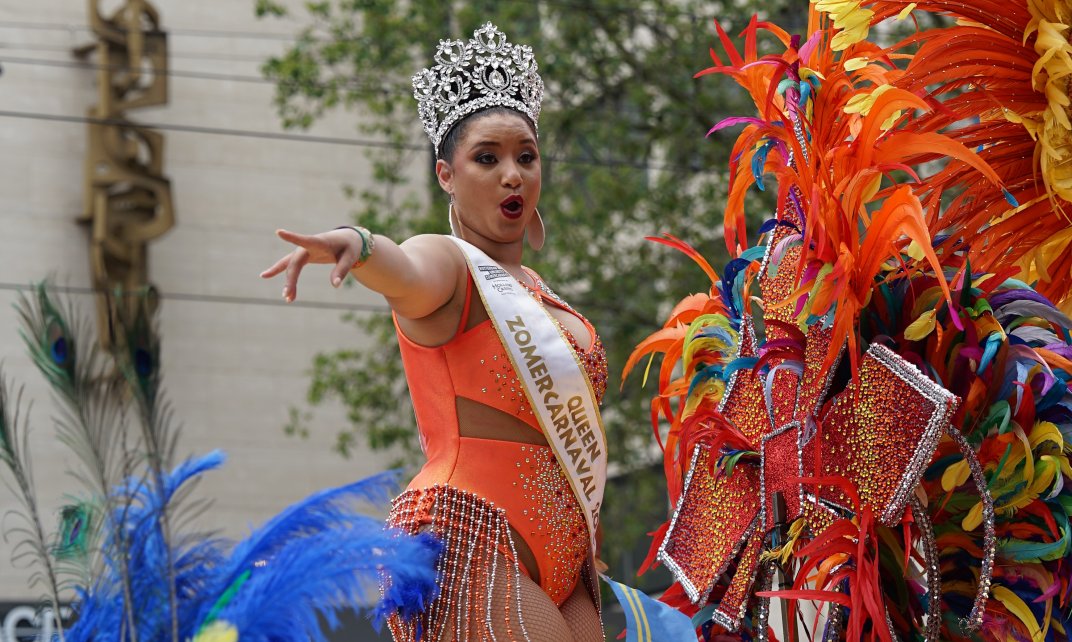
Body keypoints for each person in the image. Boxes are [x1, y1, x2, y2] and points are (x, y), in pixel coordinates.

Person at [260, 22, 607, 642]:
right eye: (487, 158)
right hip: (473, 530)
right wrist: (359, 245)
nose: (513, 175)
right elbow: (405, 271)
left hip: (566, 556)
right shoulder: (449, 265)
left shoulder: (543, 293)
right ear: (446, 175)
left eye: (526, 157)